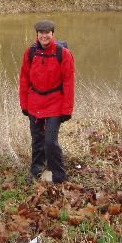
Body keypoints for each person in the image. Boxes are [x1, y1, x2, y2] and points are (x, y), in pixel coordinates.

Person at [19, 19, 75, 184]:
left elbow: (69, 83)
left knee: (50, 141)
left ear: (52, 34)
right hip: (34, 102)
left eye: (47, 32)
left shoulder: (63, 54)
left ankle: (59, 175)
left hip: (55, 103)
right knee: (37, 138)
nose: (44, 36)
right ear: (37, 34)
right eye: (41, 33)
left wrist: (67, 110)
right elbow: (24, 80)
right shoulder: (30, 53)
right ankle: (36, 169)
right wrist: (24, 105)